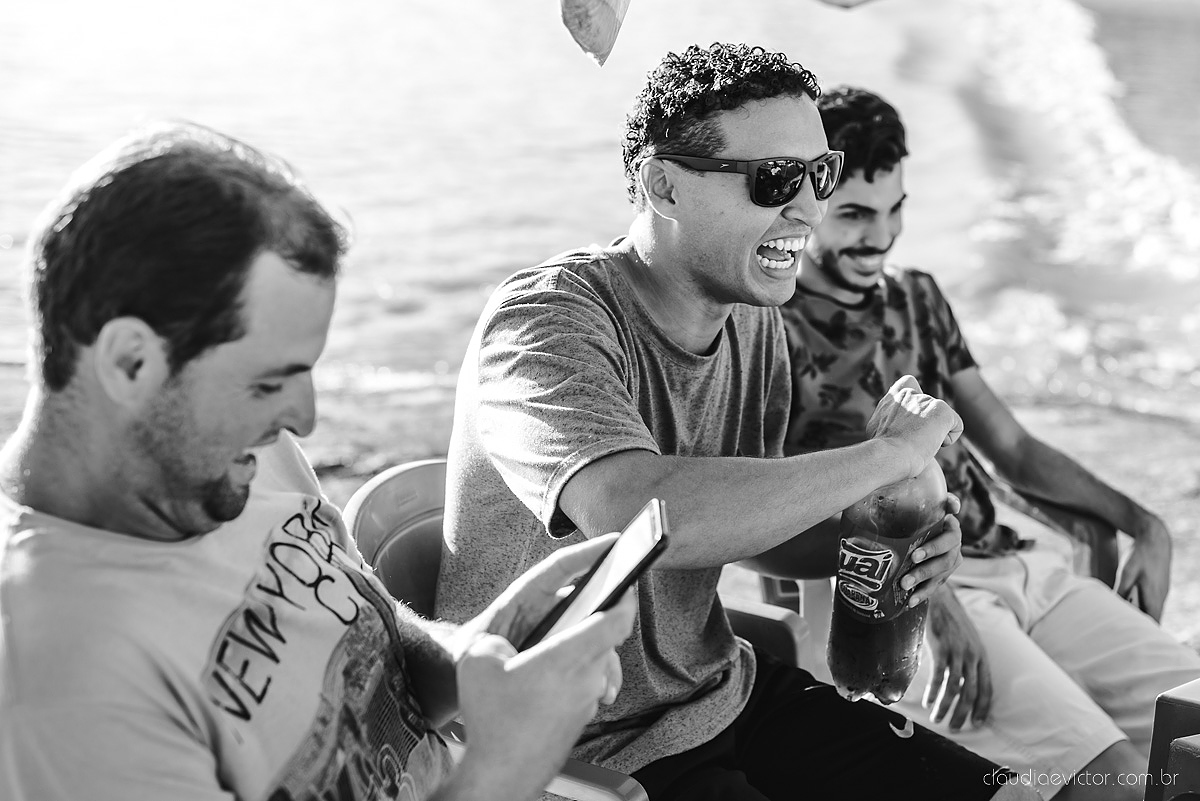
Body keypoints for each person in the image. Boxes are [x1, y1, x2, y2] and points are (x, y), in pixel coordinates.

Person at [436, 43, 1038, 800]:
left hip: (722, 693)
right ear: (663, 185)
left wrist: (879, 545)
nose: (811, 208)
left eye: (820, 172)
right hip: (577, 743)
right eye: (777, 179)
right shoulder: (548, 321)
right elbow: (638, 518)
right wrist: (887, 454)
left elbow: (756, 529)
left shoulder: (752, 319)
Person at [0, 122, 637, 801]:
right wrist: (509, 764)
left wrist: (480, 649)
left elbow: (361, 650)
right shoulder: (56, 676)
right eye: (269, 382)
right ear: (131, 361)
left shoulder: (247, 455)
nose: (302, 417)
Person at [781, 85, 1200, 800]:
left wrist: (1143, 523)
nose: (879, 237)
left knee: (1191, 736)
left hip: (1020, 566)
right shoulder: (772, 328)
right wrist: (929, 598)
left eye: (894, 210)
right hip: (900, 605)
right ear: (810, 200)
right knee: (1122, 787)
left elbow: (1012, 445)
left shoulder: (918, 296)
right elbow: (776, 509)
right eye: (854, 215)